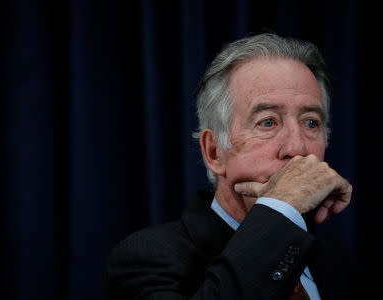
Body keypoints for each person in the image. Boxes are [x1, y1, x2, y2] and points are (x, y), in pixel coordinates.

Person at [106, 33, 359, 299]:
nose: (297, 149)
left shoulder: (344, 270)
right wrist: (280, 208)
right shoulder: (146, 258)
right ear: (214, 152)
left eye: (311, 123)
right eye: (268, 122)